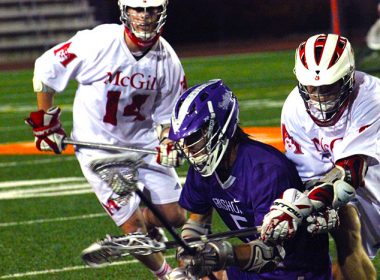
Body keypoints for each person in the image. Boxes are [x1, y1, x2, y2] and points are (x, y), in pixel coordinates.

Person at [25, 0, 187, 278]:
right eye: (138, 9)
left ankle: (151, 226)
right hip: (98, 151)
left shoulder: (168, 60)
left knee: (175, 216)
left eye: (151, 10)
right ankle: (168, 274)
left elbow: (167, 117)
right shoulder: (98, 42)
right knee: (132, 229)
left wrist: (167, 141)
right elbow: (46, 68)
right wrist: (46, 119)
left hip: (143, 143)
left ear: (162, 12)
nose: (145, 17)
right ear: (125, 10)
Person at [167, 79, 333, 279]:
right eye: (183, 142)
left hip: (293, 270)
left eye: (193, 138)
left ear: (219, 127)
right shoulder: (203, 167)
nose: (187, 149)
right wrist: (189, 253)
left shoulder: (267, 170)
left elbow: (270, 254)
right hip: (247, 266)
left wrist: (219, 254)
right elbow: (196, 223)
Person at [275, 33, 379, 280]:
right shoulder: (294, 110)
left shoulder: (372, 98)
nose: (319, 97)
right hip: (355, 192)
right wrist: (319, 207)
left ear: (348, 78)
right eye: (312, 88)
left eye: (328, 87)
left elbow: (351, 171)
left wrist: (304, 205)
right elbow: (312, 176)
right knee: (345, 234)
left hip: (369, 177)